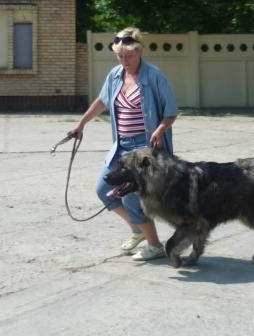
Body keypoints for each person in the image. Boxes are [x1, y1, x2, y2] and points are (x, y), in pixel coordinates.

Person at [71, 27, 178, 261]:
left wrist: (161, 129)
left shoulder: (154, 76)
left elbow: (171, 112)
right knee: (104, 190)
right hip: (121, 147)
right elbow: (101, 101)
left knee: (131, 196)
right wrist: (82, 124)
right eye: (120, 56)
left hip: (144, 149)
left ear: (139, 51)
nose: (124, 60)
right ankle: (138, 230)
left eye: (128, 56)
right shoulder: (115, 75)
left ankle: (155, 245)